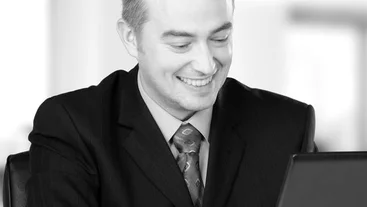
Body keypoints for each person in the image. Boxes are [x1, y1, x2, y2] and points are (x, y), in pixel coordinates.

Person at [26, 0, 317, 206]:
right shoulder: (72, 126)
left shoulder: (288, 126)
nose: (205, 65)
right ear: (131, 38)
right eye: (181, 44)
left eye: (220, 37)